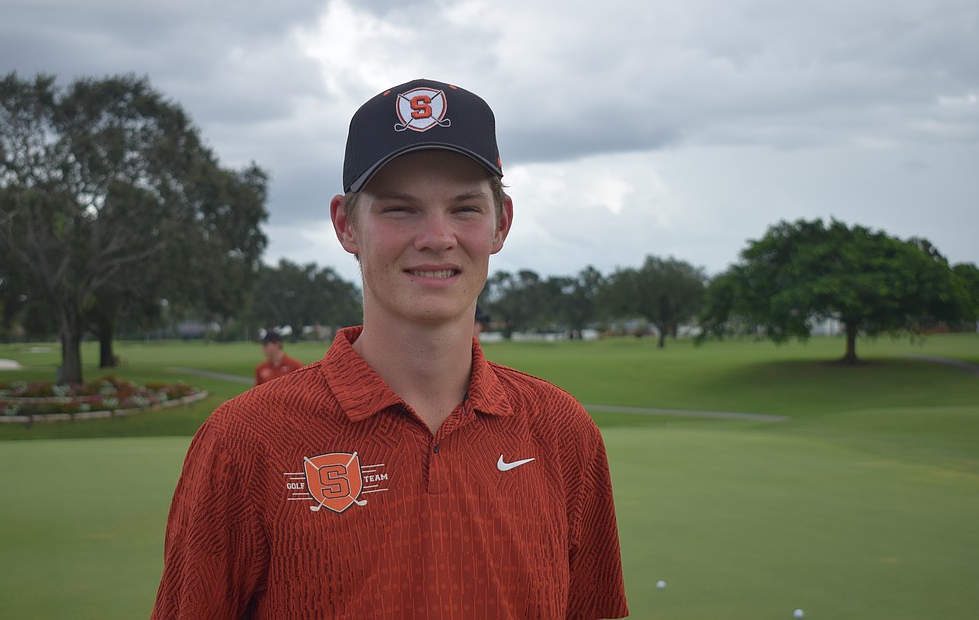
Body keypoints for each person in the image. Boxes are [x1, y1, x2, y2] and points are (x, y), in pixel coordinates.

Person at [151, 79, 628, 619]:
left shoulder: (563, 432)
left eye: (466, 208)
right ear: (344, 224)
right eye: (399, 210)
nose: (436, 236)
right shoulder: (244, 440)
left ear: (502, 224)